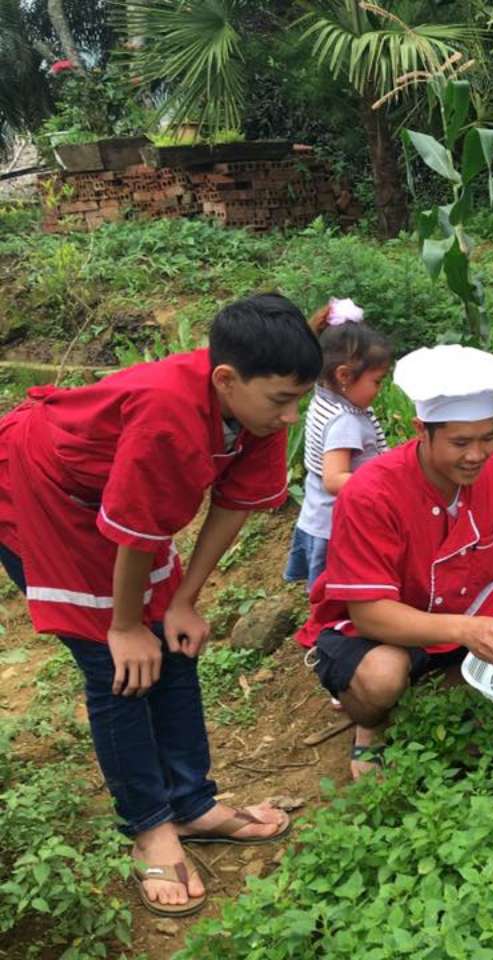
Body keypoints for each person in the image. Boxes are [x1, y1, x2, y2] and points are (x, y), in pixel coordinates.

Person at [0, 293, 319, 917]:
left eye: (297, 401)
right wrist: (122, 626)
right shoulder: (168, 414)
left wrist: (183, 601)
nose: (290, 417)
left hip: (114, 510)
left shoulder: (253, 410)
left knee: (172, 646)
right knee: (115, 667)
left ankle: (192, 803)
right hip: (41, 488)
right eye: (280, 401)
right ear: (224, 379)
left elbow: (233, 503)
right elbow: (137, 526)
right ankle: (149, 823)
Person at [295, 345, 493, 780]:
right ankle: (370, 726)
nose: (477, 454)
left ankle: (465, 679)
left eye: (487, 437)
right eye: (460, 442)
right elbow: (370, 613)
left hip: (468, 599)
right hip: (391, 620)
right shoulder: (371, 493)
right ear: (422, 430)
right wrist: (465, 630)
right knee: (381, 677)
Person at [284, 297, 390, 590]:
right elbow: (334, 479)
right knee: (337, 595)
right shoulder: (344, 421)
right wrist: (384, 485)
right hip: (336, 528)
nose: (380, 390)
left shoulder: (326, 397)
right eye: (377, 381)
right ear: (343, 375)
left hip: (319, 519)